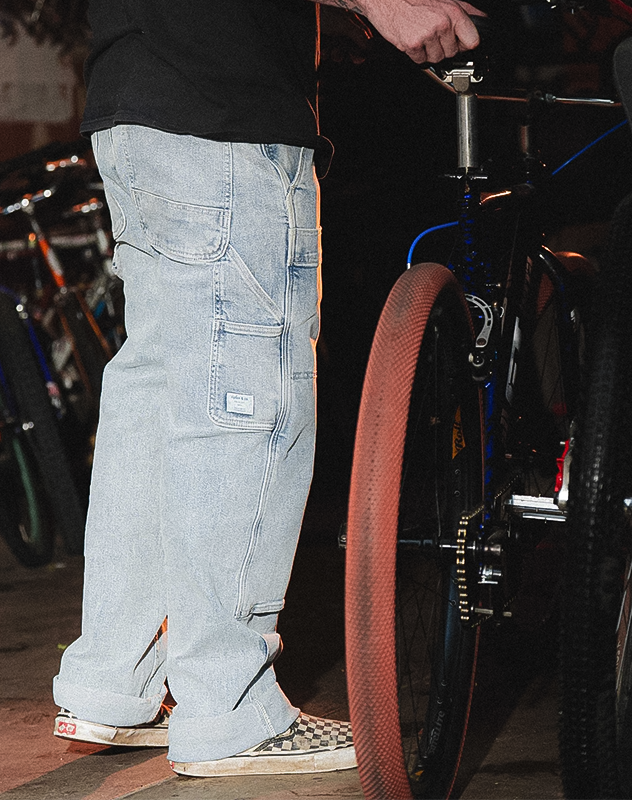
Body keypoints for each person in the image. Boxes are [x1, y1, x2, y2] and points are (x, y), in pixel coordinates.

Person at [52, 0, 483, 778]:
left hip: (144, 100)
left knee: (161, 400)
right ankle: (229, 705)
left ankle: (115, 681)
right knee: (246, 404)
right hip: (221, 112)